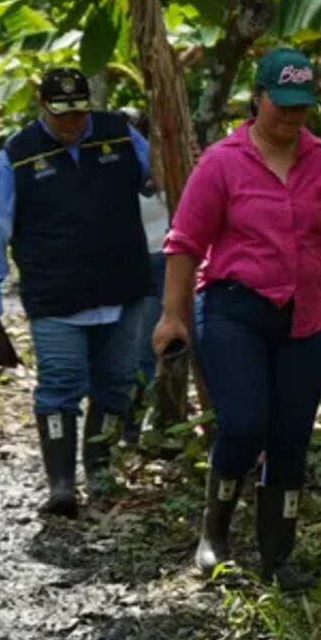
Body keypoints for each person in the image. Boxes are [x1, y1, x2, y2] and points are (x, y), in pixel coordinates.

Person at [153, 48, 321, 591]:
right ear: (258, 96)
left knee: (291, 437)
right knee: (246, 423)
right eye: (282, 105)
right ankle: (215, 533)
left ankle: (277, 556)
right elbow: (184, 242)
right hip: (234, 306)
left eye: (302, 107)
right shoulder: (222, 162)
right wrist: (172, 315)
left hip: (305, 315)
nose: (292, 117)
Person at [0, 68, 154, 518]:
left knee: (117, 383)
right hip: (55, 295)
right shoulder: (16, 156)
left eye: (79, 114)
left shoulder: (120, 135)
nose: (73, 125)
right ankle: (60, 485)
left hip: (123, 286)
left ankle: (99, 469)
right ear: (42, 108)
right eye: (62, 116)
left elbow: (162, 181)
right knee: (59, 386)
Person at [120, 108, 172, 445]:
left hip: (165, 263)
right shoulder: (110, 173)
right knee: (132, 352)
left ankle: (138, 425)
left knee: (149, 352)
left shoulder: (166, 168)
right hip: (130, 265)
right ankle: (127, 425)